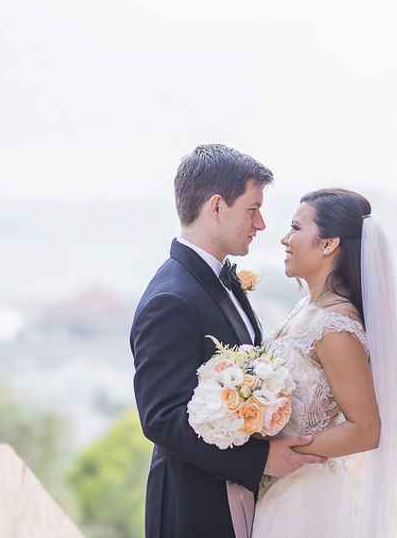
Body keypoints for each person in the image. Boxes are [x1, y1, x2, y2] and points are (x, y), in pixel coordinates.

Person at [130, 144, 326, 538]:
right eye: (253, 209)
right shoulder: (172, 298)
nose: (262, 224)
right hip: (195, 507)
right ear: (217, 207)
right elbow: (161, 418)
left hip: (242, 500)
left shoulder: (220, 280)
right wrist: (260, 459)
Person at [252, 188, 397, 538]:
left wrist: (283, 451)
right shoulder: (304, 308)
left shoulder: (335, 327)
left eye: (295, 228)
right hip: (278, 487)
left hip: (304, 497)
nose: (284, 239)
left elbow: (367, 429)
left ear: (328, 244)